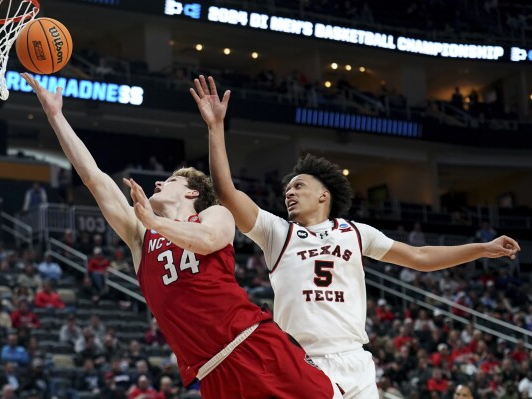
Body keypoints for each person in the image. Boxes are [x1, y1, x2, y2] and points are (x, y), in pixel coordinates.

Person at [195, 74, 521, 398]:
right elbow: (226, 192)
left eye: (299, 186)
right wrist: (215, 128)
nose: (289, 194)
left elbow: (419, 257)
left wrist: (480, 248)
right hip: (304, 360)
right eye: (287, 190)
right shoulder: (277, 232)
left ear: (324, 195)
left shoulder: (355, 232)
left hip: (356, 359)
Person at [22, 72, 337, 399]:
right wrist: (56, 117)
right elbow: (95, 179)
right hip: (212, 373)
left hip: (253, 344)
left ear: (191, 195)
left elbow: (206, 241)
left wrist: (155, 223)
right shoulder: (141, 235)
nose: (157, 184)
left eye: (169, 181)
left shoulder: (214, 214)